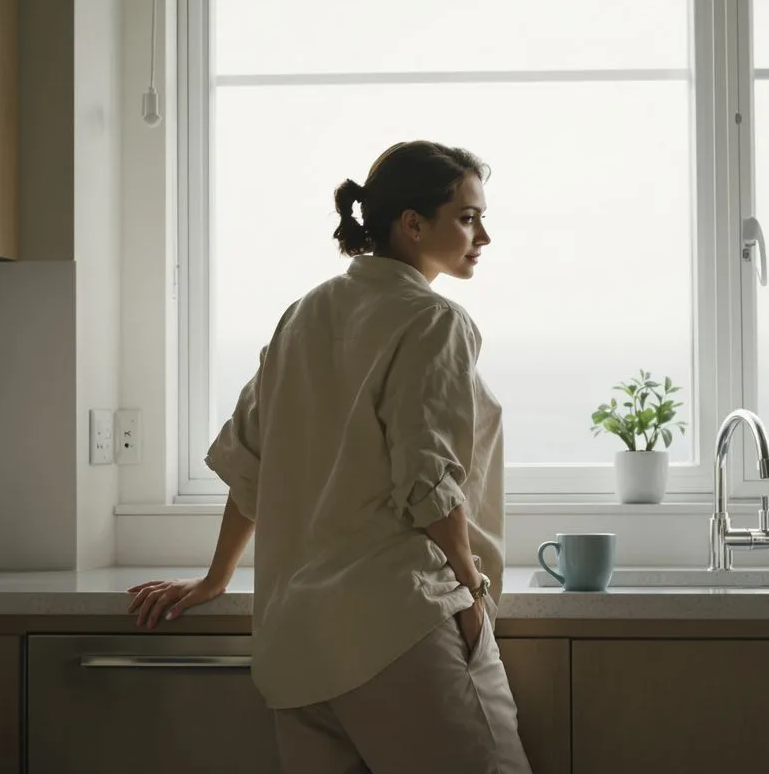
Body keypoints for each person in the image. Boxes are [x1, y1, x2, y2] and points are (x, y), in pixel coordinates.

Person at [127, 140, 532, 774]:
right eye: (467, 217)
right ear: (413, 223)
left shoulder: (305, 313)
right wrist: (473, 587)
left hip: (298, 649)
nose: (484, 234)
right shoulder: (432, 320)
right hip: (397, 627)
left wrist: (216, 578)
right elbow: (427, 480)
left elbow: (247, 465)